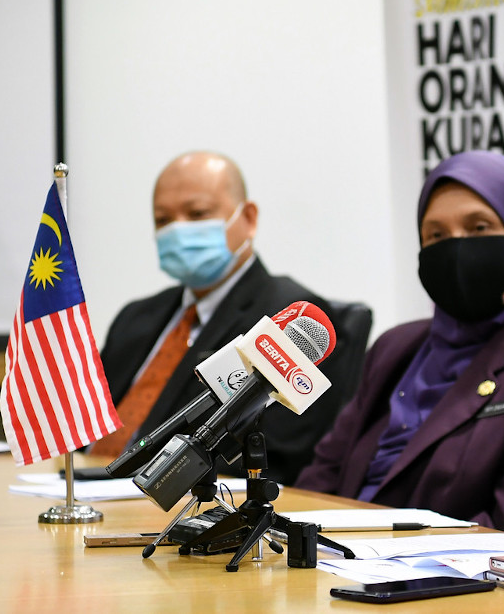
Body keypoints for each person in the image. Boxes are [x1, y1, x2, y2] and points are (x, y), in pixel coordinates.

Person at [295, 150, 504, 545]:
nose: (456, 250)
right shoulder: (396, 347)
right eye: (436, 235)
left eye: (479, 227)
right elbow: (321, 479)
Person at [92, 151, 369, 485]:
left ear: (248, 218)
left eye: (197, 214)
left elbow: (277, 459)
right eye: (163, 220)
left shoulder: (288, 323)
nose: (178, 230)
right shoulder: (135, 318)